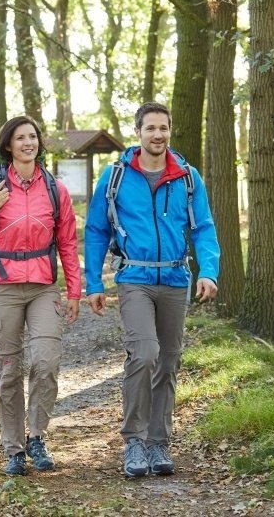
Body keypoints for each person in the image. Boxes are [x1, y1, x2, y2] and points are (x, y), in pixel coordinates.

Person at [84, 102, 220, 478]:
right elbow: (96, 231)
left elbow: (203, 228)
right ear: (138, 132)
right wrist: (93, 282)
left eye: (163, 128)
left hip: (176, 280)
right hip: (135, 279)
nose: (157, 134)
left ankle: (159, 442)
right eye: (150, 128)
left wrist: (209, 270)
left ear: (169, 131)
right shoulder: (115, 178)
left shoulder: (188, 177)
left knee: (169, 360)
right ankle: (134, 441)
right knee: (144, 353)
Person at [0, 116, 81, 476]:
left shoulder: (55, 189)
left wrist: (74, 290)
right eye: (21, 138)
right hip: (2, 289)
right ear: (8, 145)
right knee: (9, 373)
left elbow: (66, 243)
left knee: (46, 364)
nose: (28, 142)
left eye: (33, 136)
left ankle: (37, 437)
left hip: (44, 288)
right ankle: (14, 449)